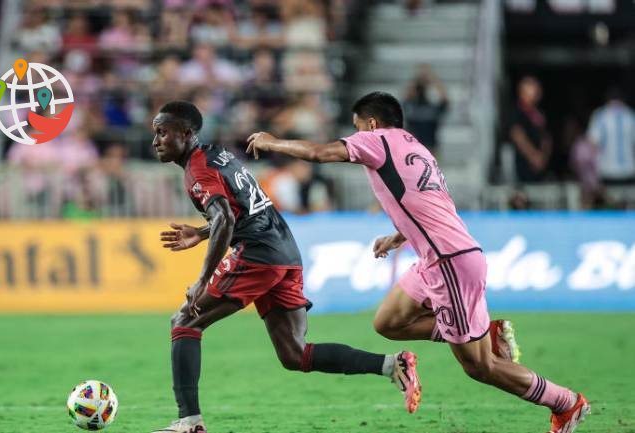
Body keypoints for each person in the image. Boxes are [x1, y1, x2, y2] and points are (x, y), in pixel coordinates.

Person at [246, 91, 589, 433]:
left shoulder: (377, 140)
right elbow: (430, 204)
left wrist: (273, 142)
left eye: (357, 127)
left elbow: (320, 153)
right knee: (388, 322)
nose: (356, 135)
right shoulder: (415, 147)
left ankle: (565, 402)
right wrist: (399, 236)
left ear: (372, 123)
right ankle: (482, 332)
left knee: (480, 366)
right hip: (437, 258)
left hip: (449, 263)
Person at [149, 101, 418, 433]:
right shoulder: (216, 154)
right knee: (295, 354)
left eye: (162, 132)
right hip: (284, 252)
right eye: (154, 133)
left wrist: (203, 277)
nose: (156, 140)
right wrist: (202, 233)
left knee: (185, 321)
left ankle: (189, 422)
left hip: (258, 254)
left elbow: (225, 217)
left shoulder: (197, 169)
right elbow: (240, 211)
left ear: (187, 133)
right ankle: (393, 365)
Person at [508, 76, 553, 183]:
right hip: (524, 165)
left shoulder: (538, 114)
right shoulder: (517, 112)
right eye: (532, 88)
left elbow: (546, 137)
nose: (536, 91)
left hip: (541, 166)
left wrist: (543, 157)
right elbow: (517, 135)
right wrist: (533, 156)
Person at [587, 87, 635, 185]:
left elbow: (592, 143)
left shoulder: (600, 115)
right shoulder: (631, 115)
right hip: (629, 169)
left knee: (609, 199)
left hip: (607, 170)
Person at [402, 64, 448, 156]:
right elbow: (407, 95)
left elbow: (444, 99)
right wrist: (422, 76)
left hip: (429, 150)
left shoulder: (430, 109)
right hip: (414, 151)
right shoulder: (412, 107)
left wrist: (429, 76)